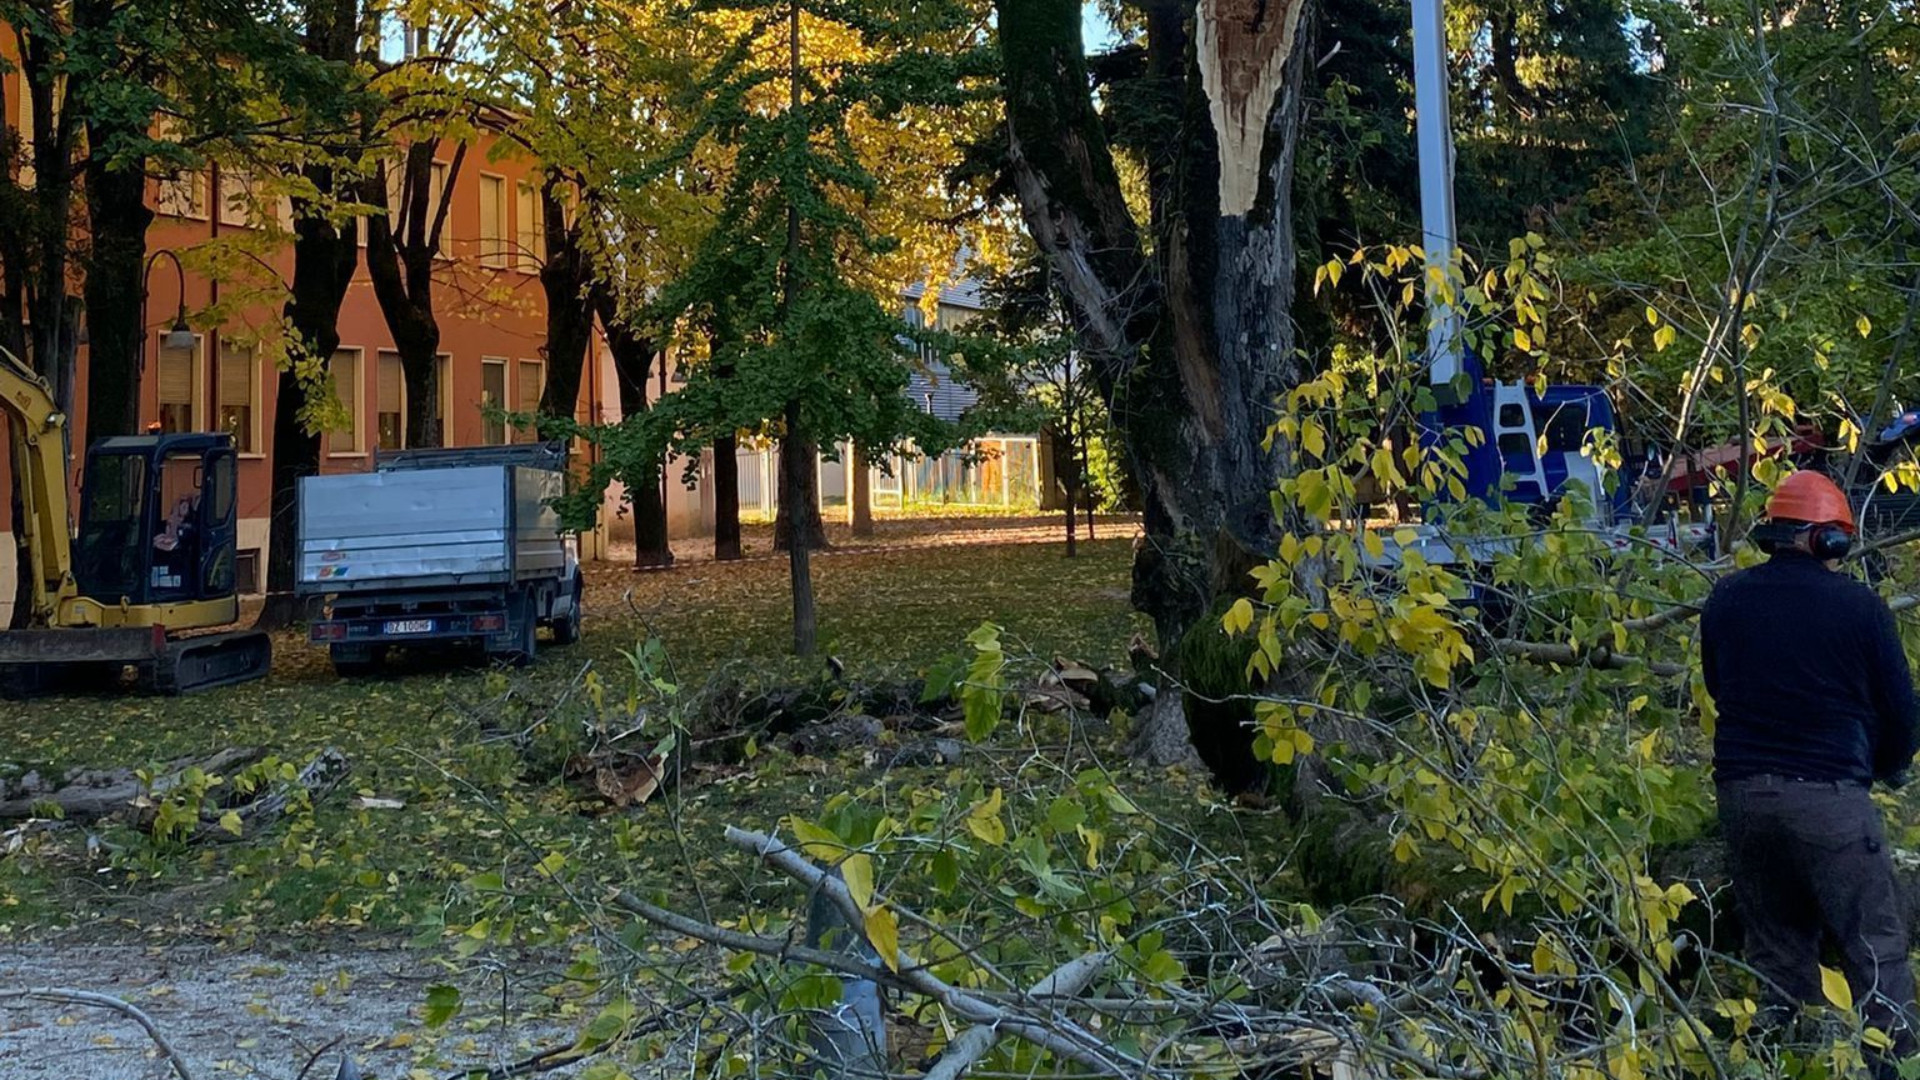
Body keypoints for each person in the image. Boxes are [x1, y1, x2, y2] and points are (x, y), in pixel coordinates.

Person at [1702, 470, 1920, 1064]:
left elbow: (1718, 687)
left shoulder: (1726, 600)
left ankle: (1782, 1064)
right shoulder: (1860, 607)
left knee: (1776, 955)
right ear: (1828, 538)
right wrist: (1884, 765)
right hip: (1829, 798)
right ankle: (1896, 1068)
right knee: (1875, 950)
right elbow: (1903, 714)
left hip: (1743, 797)